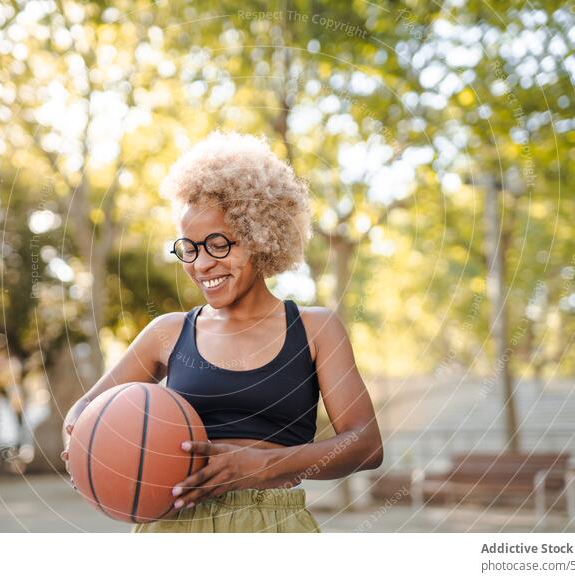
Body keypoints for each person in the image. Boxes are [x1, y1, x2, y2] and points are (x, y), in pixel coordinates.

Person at [61, 131, 383, 532]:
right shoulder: (168, 333)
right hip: (173, 529)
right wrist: (82, 446)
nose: (201, 264)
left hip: (272, 525)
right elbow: (84, 410)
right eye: (189, 249)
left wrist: (265, 466)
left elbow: (366, 444)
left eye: (218, 244)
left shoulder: (316, 329)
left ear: (259, 237)